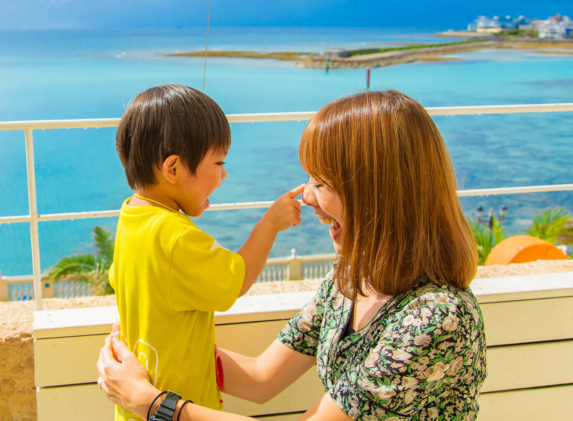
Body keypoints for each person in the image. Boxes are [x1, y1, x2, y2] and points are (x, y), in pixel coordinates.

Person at [98, 90, 487, 421]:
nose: (306, 196)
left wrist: (153, 404)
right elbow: (260, 377)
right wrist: (158, 346)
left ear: (378, 192)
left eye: (320, 181)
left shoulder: (436, 318)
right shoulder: (349, 285)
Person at [109, 84, 305, 421]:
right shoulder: (176, 236)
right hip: (172, 406)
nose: (223, 174)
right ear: (173, 169)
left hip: (136, 405)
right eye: (218, 162)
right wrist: (271, 223)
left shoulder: (130, 219)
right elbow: (235, 280)